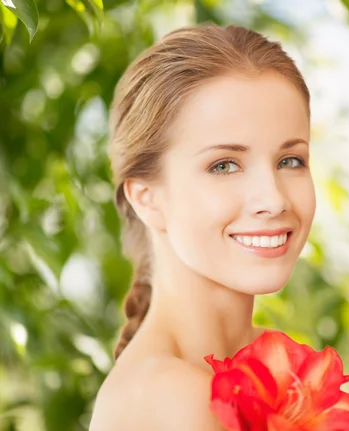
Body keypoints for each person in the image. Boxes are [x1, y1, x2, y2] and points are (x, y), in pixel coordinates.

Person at [89, 23, 316, 430]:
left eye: (290, 160)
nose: (274, 199)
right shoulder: (169, 396)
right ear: (147, 198)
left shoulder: (280, 372)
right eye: (224, 165)